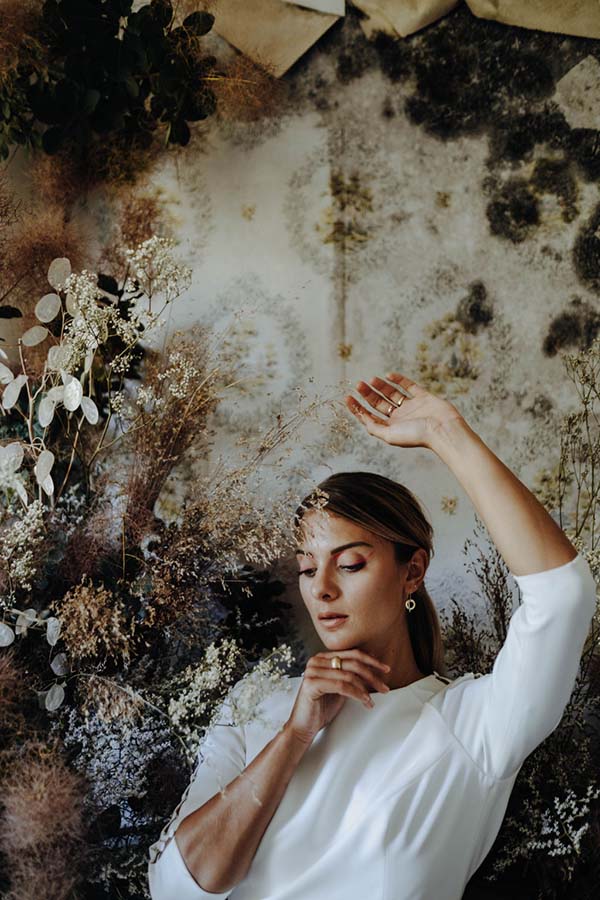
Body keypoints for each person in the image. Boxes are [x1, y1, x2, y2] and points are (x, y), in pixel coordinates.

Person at [147, 371, 597, 900]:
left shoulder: (475, 726)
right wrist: (294, 736)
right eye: (307, 569)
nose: (322, 588)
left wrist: (445, 432)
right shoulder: (255, 706)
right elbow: (175, 889)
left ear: (413, 571)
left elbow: (563, 596)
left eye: (351, 564)